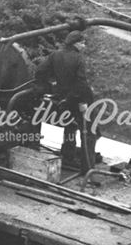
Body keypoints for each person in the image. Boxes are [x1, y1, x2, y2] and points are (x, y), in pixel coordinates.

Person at [35, 30, 96, 169]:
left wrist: (50, 86)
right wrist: (82, 101)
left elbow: (40, 71)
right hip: (78, 99)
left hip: (62, 98)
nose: (84, 46)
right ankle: (88, 167)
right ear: (76, 43)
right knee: (89, 131)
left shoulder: (55, 54)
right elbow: (81, 83)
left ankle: (68, 156)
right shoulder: (78, 58)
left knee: (70, 125)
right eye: (82, 43)